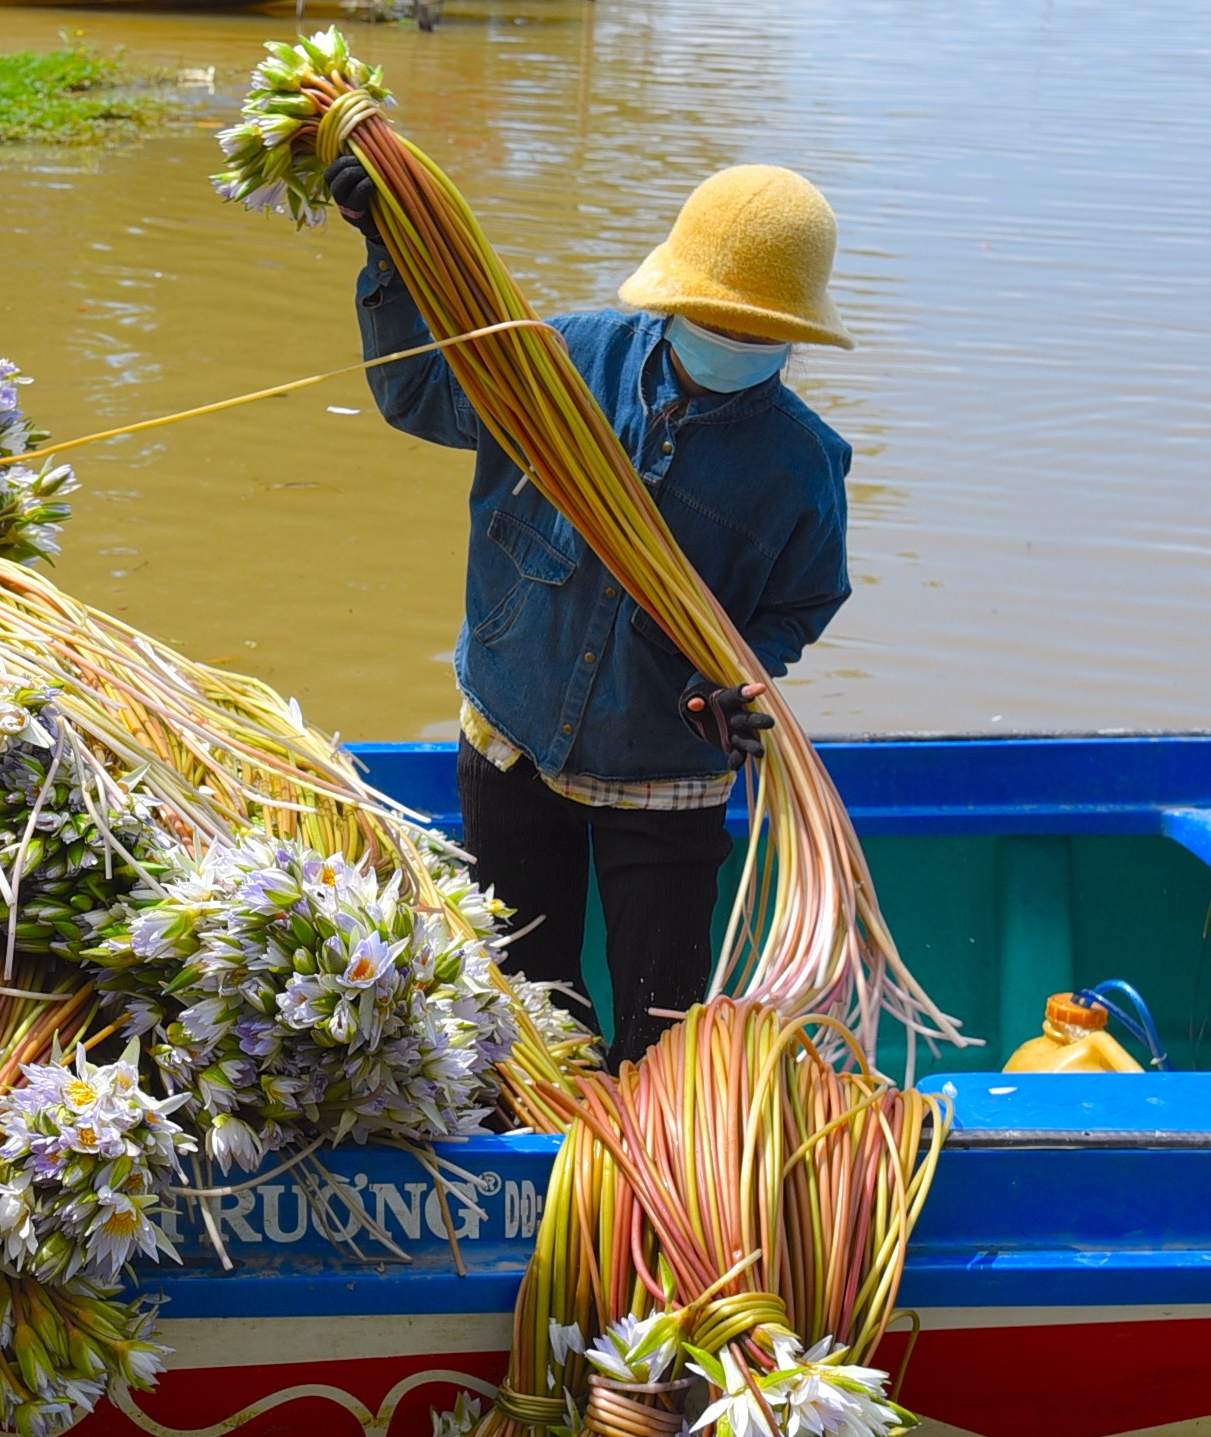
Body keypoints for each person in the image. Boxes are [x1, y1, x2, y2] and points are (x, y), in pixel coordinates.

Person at [326, 159, 857, 1067]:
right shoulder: (562, 361)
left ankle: (640, 1178)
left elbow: (805, 600)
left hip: (666, 775)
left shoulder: (803, 462)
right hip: (512, 739)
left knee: (659, 1038)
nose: (730, 336)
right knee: (526, 1016)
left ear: (791, 332)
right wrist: (390, 248)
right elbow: (418, 395)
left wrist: (733, 674)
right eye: (714, 315)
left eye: (756, 327)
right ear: (674, 297)